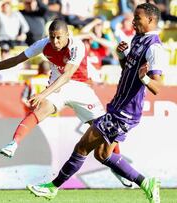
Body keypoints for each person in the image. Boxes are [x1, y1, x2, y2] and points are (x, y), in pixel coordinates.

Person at [26, 3, 166, 202]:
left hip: (124, 113)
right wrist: (121, 57)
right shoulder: (138, 39)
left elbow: (158, 87)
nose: (133, 21)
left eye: (137, 18)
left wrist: (144, 79)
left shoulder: (155, 48)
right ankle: (146, 182)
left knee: (82, 147)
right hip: (118, 107)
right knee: (102, 155)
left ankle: (52, 187)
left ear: (151, 20)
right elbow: (129, 70)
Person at [0, 19, 132, 187]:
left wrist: (43, 93)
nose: (55, 42)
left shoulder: (77, 45)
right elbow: (17, 59)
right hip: (58, 88)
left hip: (81, 88)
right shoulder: (44, 44)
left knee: (106, 129)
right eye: (52, 37)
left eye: (58, 38)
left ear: (67, 35)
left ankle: (117, 168)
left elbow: (68, 75)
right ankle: (14, 143)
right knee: (43, 109)